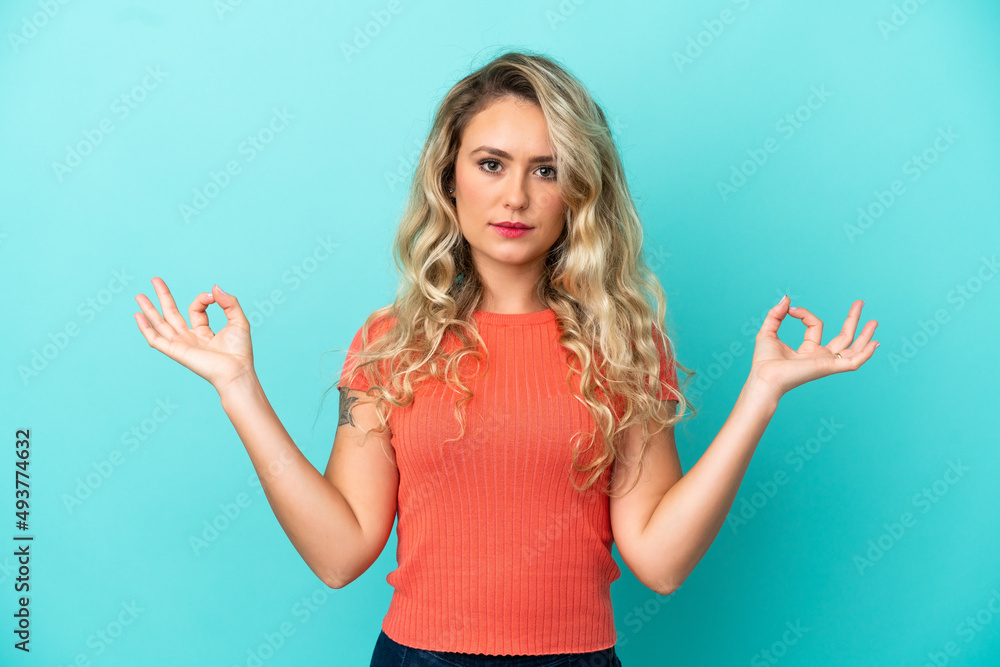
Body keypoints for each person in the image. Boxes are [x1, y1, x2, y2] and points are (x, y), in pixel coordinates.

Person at [133, 50, 879, 667]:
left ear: (579, 191)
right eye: (491, 163)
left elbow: (660, 560)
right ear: (450, 176)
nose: (516, 196)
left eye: (546, 170)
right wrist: (239, 388)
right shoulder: (390, 342)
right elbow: (340, 552)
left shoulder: (625, 344)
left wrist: (760, 395)